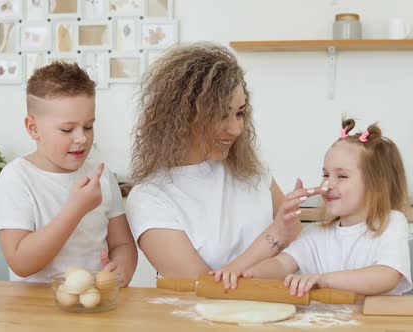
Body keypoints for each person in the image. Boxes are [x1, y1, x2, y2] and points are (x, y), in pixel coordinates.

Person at [126, 43, 322, 288]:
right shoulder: (149, 197)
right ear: (183, 117)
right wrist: (275, 236)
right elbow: (205, 289)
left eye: (240, 113)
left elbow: (303, 253)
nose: (236, 129)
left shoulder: (252, 173)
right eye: (221, 115)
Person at [0, 62, 137, 286]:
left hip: (95, 301)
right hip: (34, 310)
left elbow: (123, 245)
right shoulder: (17, 178)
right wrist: (75, 210)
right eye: (67, 129)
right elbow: (21, 263)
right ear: (33, 128)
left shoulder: (102, 176)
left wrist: (121, 268)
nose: (81, 138)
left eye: (88, 126)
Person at [242, 119, 413, 295]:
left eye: (342, 176)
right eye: (325, 174)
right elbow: (282, 264)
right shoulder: (314, 234)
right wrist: (251, 274)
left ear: (376, 186)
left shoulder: (391, 224)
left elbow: (386, 276)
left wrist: (324, 280)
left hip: (375, 322)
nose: (328, 184)